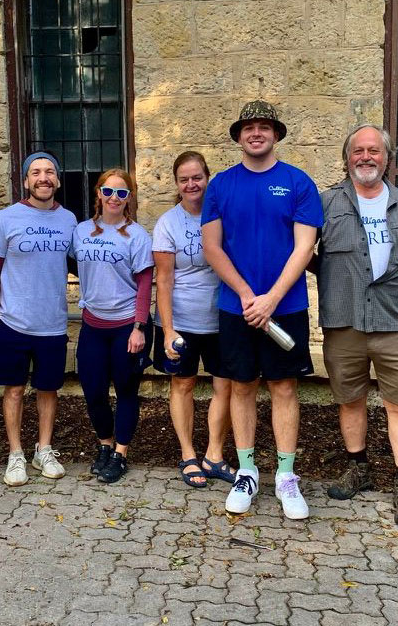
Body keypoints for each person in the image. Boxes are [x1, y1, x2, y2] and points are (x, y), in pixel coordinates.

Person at [200, 100, 323, 520]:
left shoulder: (298, 182)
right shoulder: (220, 186)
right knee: (241, 385)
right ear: (238, 136)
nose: (256, 133)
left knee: (284, 387)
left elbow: (305, 247)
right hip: (237, 309)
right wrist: (247, 294)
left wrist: (270, 298)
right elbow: (212, 247)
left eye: (264, 127)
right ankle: (248, 471)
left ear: (276, 134)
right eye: (249, 127)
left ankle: (287, 476)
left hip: (285, 305)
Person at [315, 123, 398, 528]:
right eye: (358, 150)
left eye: (374, 151)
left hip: (395, 321)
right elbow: (309, 255)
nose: (366, 157)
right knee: (350, 399)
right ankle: (358, 468)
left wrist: (394, 296)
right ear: (347, 159)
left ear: (387, 158)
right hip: (344, 321)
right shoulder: (326, 203)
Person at [0, 152, 77, 486]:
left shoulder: (69, 220)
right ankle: (15, 455)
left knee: (48, 389)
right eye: (36, 172)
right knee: (14, 390)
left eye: (50, 171)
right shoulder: (6, 219)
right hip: (13, 322)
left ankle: (44, 450)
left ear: (58, 180)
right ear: (26, 181)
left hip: (52, 323)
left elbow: (83, 264)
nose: (43, 177)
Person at [152, 151, 234, 488]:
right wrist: (168, 329)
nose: (191, 184)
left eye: (197, 177)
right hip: (181, 319)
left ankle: (214, 453)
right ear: (176, 183)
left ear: (207, 178)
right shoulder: (168, 223)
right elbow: (165, 279)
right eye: (184, 179)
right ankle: (188, 454)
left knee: (225, 384)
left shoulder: (223, 215)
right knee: (183, 384)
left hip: (223, 317)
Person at [71, 169, 154, 484]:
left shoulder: (137, 235)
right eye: (108, 191)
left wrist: (139, 328)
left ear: (129, 197)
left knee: (126, 392)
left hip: (125, 328)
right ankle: (104, 445)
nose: (114, 198)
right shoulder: (81, 231)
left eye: (122, 193)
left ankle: (120, 453)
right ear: (98, 193)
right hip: (93, 326)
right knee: (93, 392)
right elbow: (72, 263)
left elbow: (145, 284)